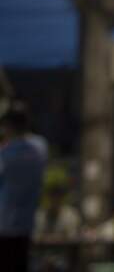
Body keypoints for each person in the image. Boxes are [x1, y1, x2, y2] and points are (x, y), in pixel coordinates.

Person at [0, 101, 48, 272]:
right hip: (27, 225)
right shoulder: (40, 148)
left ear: (8, 126)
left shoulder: (5, 155)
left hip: (4, 226)